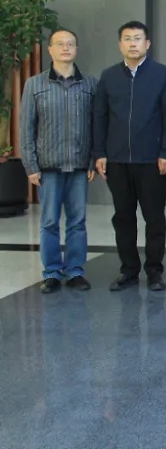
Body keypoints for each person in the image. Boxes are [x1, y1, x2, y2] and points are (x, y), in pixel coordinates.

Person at [93, 21, 166, 292]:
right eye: (127, 39)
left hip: (152, 160)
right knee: (123, 217)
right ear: (120, 44)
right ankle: (128, 270)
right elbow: (100, 117)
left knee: (154, 218)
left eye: (138, 38)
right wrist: (99, 152)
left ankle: (154, 271)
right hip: (117, 160)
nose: (133, 43)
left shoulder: (163, 74)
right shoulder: (108, 76)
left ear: (147, 44)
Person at [18, 29, 97, 293]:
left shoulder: (90, 84)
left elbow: (96, 125)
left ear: (76, 49)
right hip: (47, 167)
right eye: (60, 44)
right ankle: (51, 272)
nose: (65, 48)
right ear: (50, 49)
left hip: (79, 166)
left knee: (77, 222)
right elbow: (26, 129)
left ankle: (75, 271)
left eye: (70, 44)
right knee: (49, 222)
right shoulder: (34, 85)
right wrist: (31, 165)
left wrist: (92, 160)